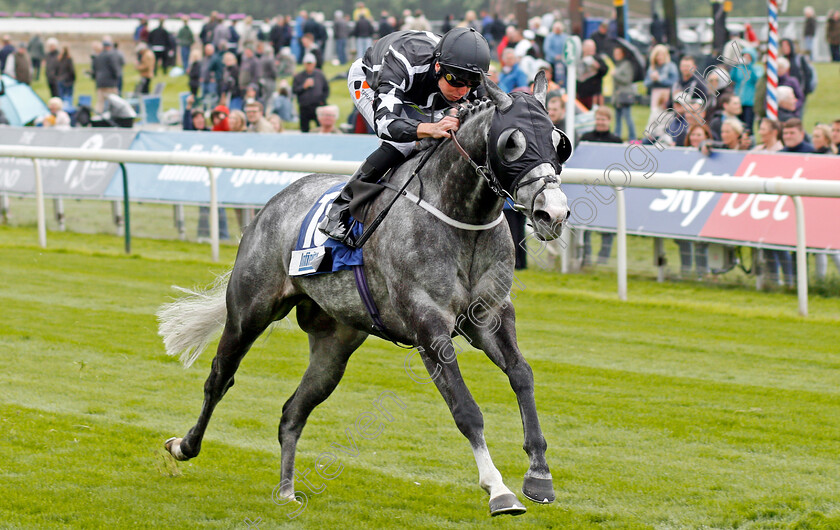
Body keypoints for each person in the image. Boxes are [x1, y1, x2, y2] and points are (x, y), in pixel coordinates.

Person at [318, 27, 491, 244]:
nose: (463, 92)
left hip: (424, 88)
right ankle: (340, 210)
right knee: (402, 144)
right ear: (438, 66)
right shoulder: (403, 61)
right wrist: (431, 128)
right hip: (371, 81)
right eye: (456, 82)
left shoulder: (465, 73)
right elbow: (386, 124)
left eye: (472, 84)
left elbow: (489, 113)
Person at [292, 53, 329, 133]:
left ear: (314, 64)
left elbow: (326, 89)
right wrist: (303, 86)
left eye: (311, 63)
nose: (309, 66)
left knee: (320, 128)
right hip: (304, 107)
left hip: (318, 106)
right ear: (304, 64)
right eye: (307, 64)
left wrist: (322, 100)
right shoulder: (299, 76)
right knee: (304, 129)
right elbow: (294, 90)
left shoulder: (320, 75)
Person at [730, 47, 762, 133]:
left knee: (748, 125)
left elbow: (756, 79)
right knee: (738, 124)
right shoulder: (740, 68)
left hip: (749, 102)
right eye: (744, 56)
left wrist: (750, 65)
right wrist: (735, 65)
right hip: (739, 101)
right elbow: (732, 78)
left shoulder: (757, 68)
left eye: (748, 56)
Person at [611, 46, 636, 140]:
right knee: (617, 118)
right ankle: (617, 136)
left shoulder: (627, 64)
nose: (616, 55)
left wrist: (615, 75)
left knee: (627, 117)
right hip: (617, 96)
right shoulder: (617, 65)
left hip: (625, 95)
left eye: (618, 53)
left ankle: (632, 137)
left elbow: (627, 79)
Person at [92, 38, 122, 113]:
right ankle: (114, 116)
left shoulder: (98, 56)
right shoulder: (111, 56)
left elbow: (94, 69)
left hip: (100, 82)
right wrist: (117, 77)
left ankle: (98, 117)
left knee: (100, 102)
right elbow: (114, 69)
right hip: (110, 83)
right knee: (114, 101)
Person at [576, 39, 607, 110]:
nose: (592, 50)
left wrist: (597, 66)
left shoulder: (597, 58)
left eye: (593, 47)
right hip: (580, 92)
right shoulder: (578, 58)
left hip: (593, 94)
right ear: (583, 48)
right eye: (590, 48)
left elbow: (605, 70)